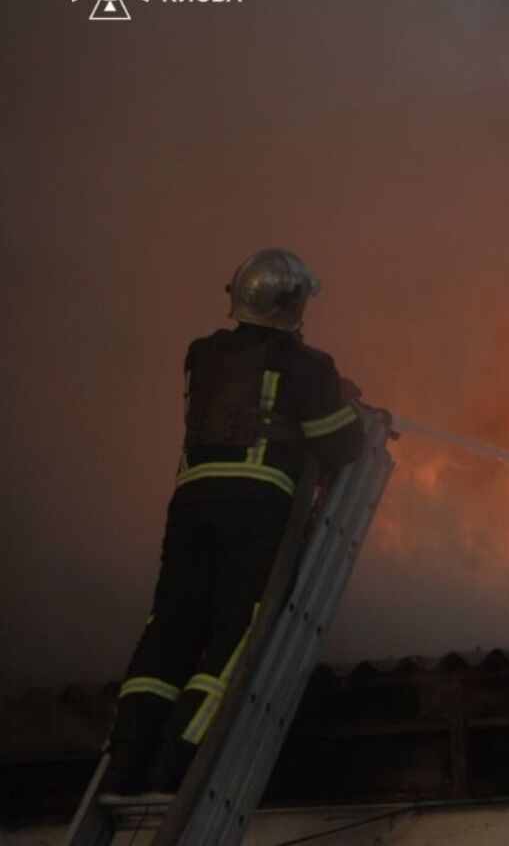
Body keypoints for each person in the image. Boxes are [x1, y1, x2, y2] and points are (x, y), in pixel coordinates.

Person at [100, 249, 365, 796]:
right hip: (256, 508)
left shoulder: (200, 354)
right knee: (238, 630)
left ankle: (125, 758)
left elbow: (248, 388)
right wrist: (341, 399)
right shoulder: (310, 366)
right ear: (292, 304)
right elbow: (341, 445)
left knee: (170, 628)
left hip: (192, 506)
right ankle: (180, 758)